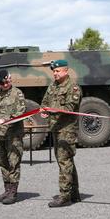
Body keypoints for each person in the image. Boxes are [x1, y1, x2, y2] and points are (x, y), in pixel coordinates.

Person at [41, 59, 82, 208]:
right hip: (55, 128)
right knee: (65, 161)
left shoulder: (73, 87)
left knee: (64, 161)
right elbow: (45, 101)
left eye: (57, 71)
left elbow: (71, 106)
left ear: (66, 71)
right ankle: (74, 193)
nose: (55, 73)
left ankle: (65, 196)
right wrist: (44, 110)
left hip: (67, 129)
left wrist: (53, 109)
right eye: (54, 71)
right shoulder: (53, 85)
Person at [0, 69, 26, 205]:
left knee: (13, 162)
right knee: (2, 161)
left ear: (10, 79)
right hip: (0, 134)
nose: (5, 85)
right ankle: (7, 189)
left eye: (7, 82)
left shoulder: (17, 93)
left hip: (13, 134)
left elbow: (21, 112)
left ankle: (13, 192)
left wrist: (5, 119)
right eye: (2, 83)